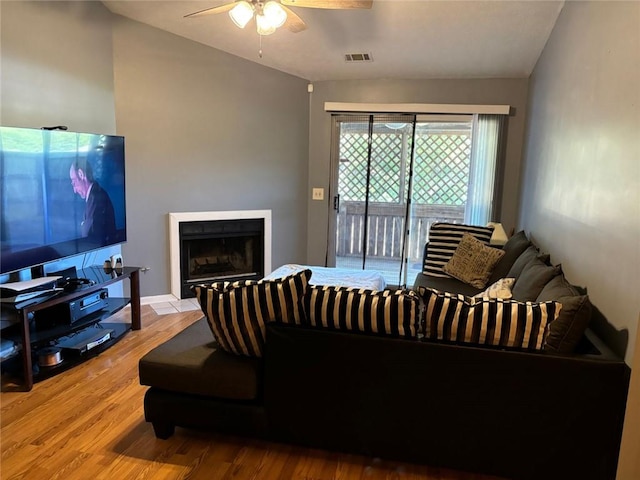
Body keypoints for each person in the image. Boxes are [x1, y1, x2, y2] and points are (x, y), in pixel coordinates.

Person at [69, 160, 116, 245]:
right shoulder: (96, 195)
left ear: (81, 174)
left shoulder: (96, 199)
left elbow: (89, 238)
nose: (74, 190)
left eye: (74, 182)